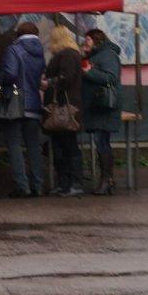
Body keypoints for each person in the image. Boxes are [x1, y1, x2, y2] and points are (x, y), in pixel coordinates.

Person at [0, 20, 47, 197]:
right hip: (34, 103)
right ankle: (38, 185)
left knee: (14, 144)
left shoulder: (14, 49)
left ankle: (22, 186)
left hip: (15, 103)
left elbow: (10, 74)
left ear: (19, 33)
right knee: (33, 145)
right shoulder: (40, 52)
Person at [41, 25, 86, 196]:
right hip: (66, 106)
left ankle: (73, 183)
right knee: (62, 145)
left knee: (68, 145)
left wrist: (49, 83)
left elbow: (66, 78)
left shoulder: (66, 55)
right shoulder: (71, 54)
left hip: (64, 107)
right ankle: (66, 183)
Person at [81, 28, 123, 195]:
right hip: (97, 106)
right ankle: (107, 180)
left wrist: (88, 72)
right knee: (101, 142)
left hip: (104, 106)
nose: (85, 43)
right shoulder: (97, 54)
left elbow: (111, 77)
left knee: (102, 143)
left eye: (88, 40)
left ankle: (106, 180)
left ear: (96, 40)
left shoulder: (107, 55)